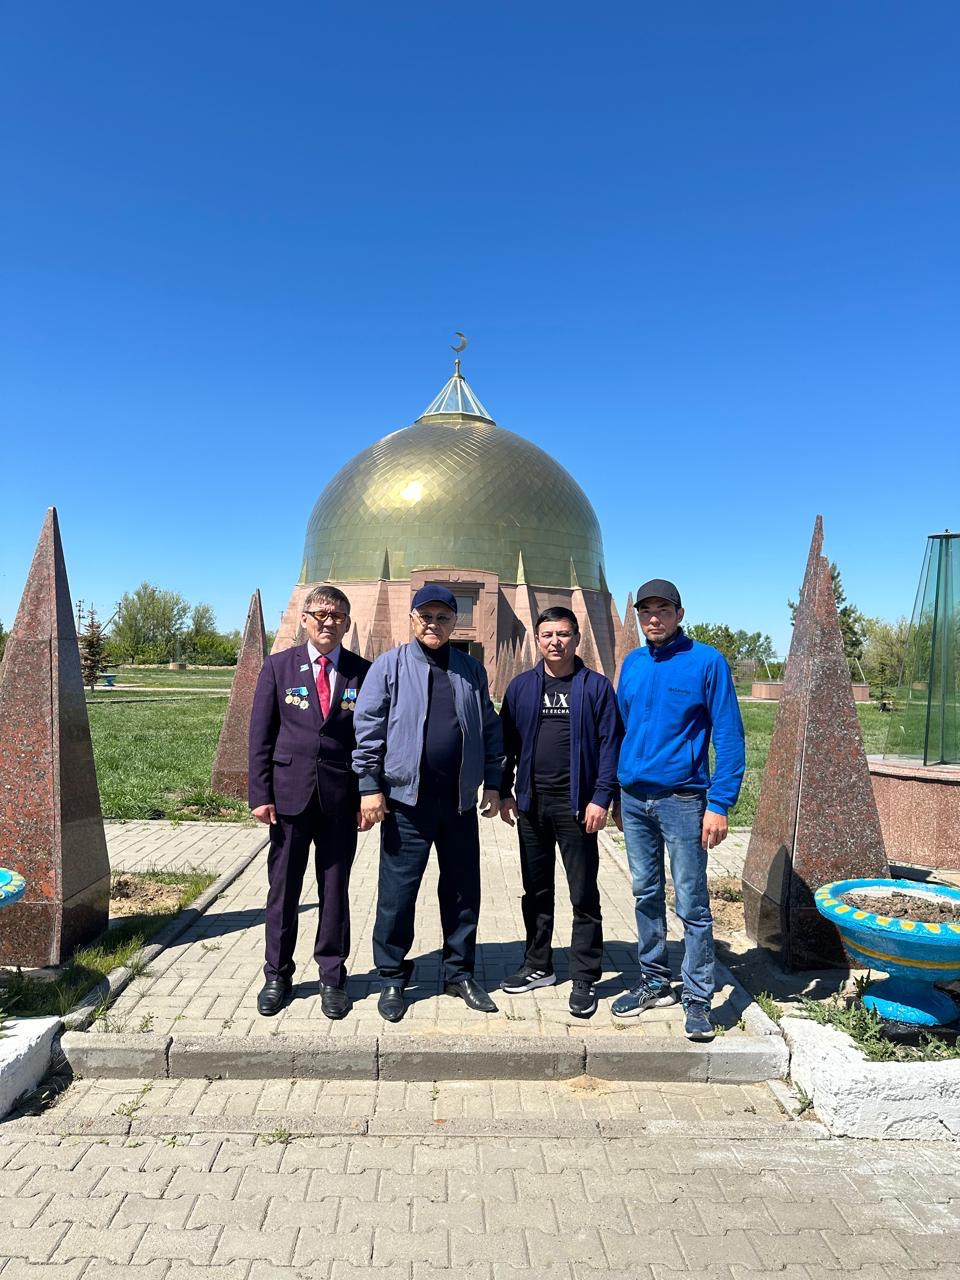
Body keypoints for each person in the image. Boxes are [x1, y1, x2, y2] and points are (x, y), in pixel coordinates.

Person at [352, 584, 504, 1022]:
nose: (433, 624)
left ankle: (459, 973)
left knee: (462, 892)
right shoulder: (390, 666)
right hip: (406, 803)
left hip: (458, 804)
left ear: (454, 622)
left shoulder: (470, 670)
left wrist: (493, 783)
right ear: (413, 619)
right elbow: (368, 728)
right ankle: (392, 976)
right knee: (397, 895)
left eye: (442, 617)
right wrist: (369, 786)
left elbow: (488, 727)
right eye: (426, 616)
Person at [612, 579, 745, 1041]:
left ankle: (698, 997)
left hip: (683, 801)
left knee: (691, 901)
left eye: (662, 610)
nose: (653, 618)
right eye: (645, 610)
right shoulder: (632, 663)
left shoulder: (706, 662)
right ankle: (653, 981)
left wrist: (720, 803)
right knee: (645, 892)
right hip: (634, 799)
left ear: (679, 614)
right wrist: (615, 792)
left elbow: (729, 735)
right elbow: (622, 731)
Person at [248, 585, 371, 1019]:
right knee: (283, 890)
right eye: (319, 614)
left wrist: (368, 794)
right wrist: (260, 794)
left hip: (341, 799)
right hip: (289, 797)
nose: (327, 622)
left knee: (334, 890)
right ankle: (277, 974)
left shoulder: (363, 672)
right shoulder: (279, 667)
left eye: (336, 615)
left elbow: (370, 739)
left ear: (347, 623)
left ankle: (332, 977)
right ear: (304, 620)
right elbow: (261, 734)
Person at [499, 607, 623, 1018]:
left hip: (578, 807)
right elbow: (506, 744)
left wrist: (601, 798)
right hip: (532, 805)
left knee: (583, 894)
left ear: (576, 639)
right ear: (537, 640)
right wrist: (504, 790)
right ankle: (538, 965)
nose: (556, 641)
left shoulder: (596, 687)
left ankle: (585, 976)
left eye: (564, 634)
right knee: (536, 891)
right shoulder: (521, 687)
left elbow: (610, 745)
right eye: (548, 634)